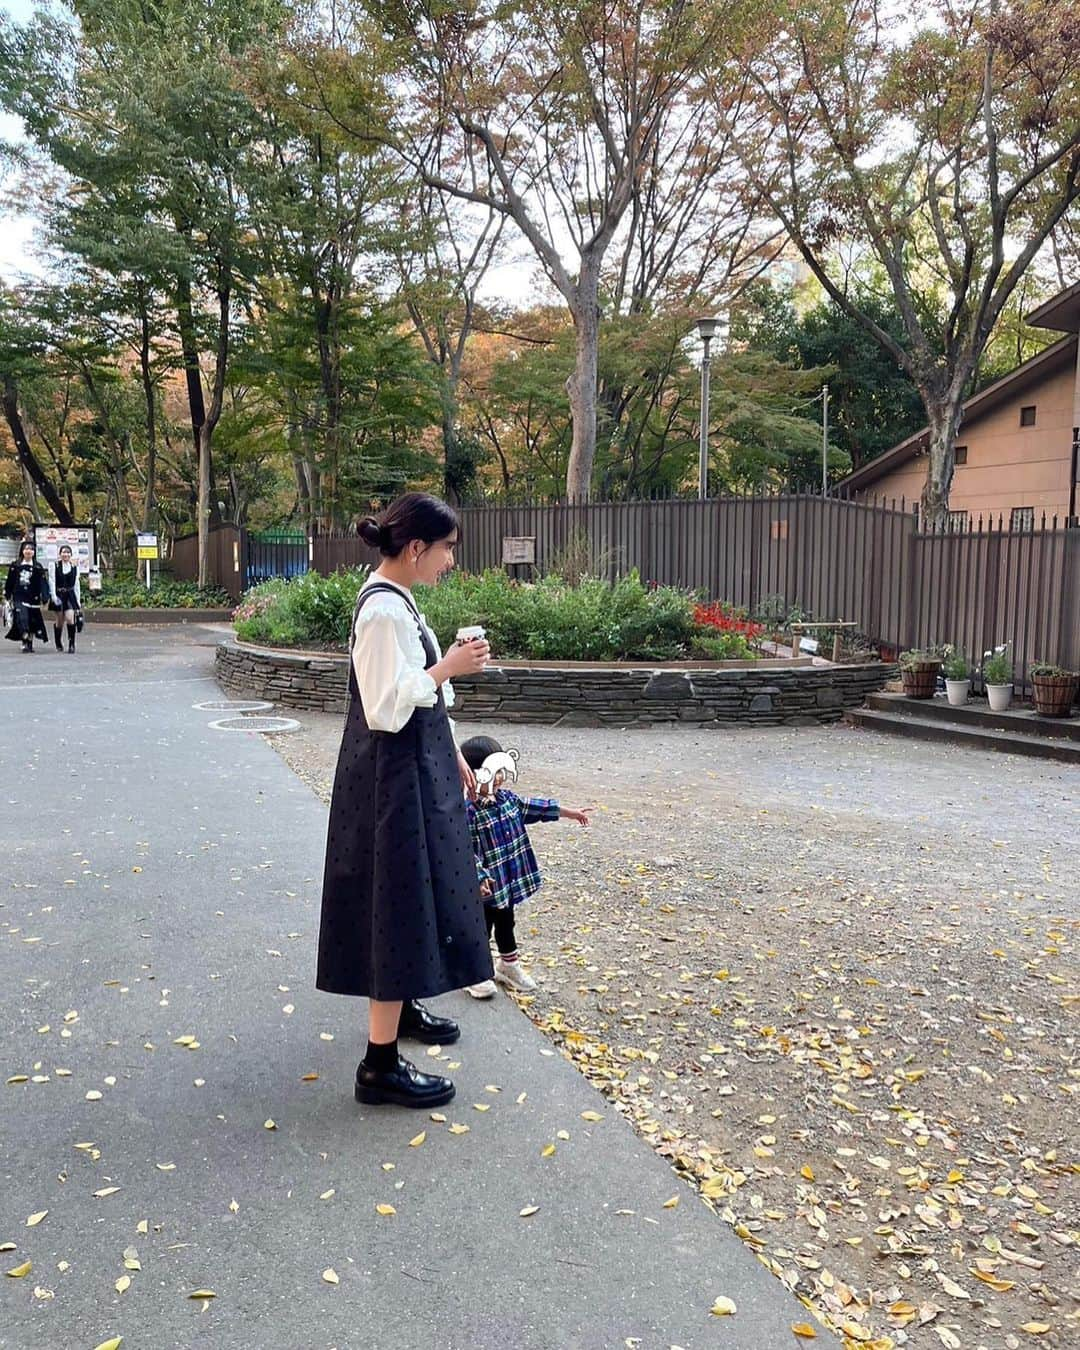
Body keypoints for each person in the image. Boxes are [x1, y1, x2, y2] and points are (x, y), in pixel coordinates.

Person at [316, 493, 493, 1109]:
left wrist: (454, 757)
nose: (448, 562)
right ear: (417, 548)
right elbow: (385, 707)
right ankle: (379, 1064)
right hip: (392, 781)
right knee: (395, 902)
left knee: (412, 894)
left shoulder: (397, 600)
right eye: (446, 550)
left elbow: (418, 702)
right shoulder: (383, 613)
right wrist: (448, 667)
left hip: (410, 772)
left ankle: (401, 1011)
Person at [460, 734, 591, 1000]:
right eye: (490, 773)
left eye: (500, 772)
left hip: (506, 884)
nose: (498, 779)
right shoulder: (467, 812)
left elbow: (537, 808)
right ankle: (475, 972)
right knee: (480, 928)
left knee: (506, 922)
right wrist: (479, 877)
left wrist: (570, 812)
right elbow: (463, 851)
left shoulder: (508, 800)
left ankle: (508, 965)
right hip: (483, 888)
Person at [4, 540, 49, 653]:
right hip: (19, 596)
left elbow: (43, 583)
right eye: (26, 549)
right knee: (22, 617)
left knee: (32, 620)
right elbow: (10, 581)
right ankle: (24, 639)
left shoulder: (37, 567)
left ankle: (29, 642)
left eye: (31, 549)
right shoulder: (16, 565)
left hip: (33, 597)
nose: (28, 551)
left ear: (34, 552)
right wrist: (7, 594)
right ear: (22, 551)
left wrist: (45, 596)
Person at [49, 544, 82, 653]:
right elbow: (52, 581)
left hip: (70, 595)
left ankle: (71, 644)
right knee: (59, 621)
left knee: (69, 618)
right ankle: (58, 641)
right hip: (58, 594)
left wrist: (78, 599)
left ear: (71, 555)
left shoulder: (74, 567)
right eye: (63, 552)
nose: (66, 554)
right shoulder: (54, 566)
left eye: (68, 552)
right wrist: (53, 596)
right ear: (60, 554)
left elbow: (77, 584)